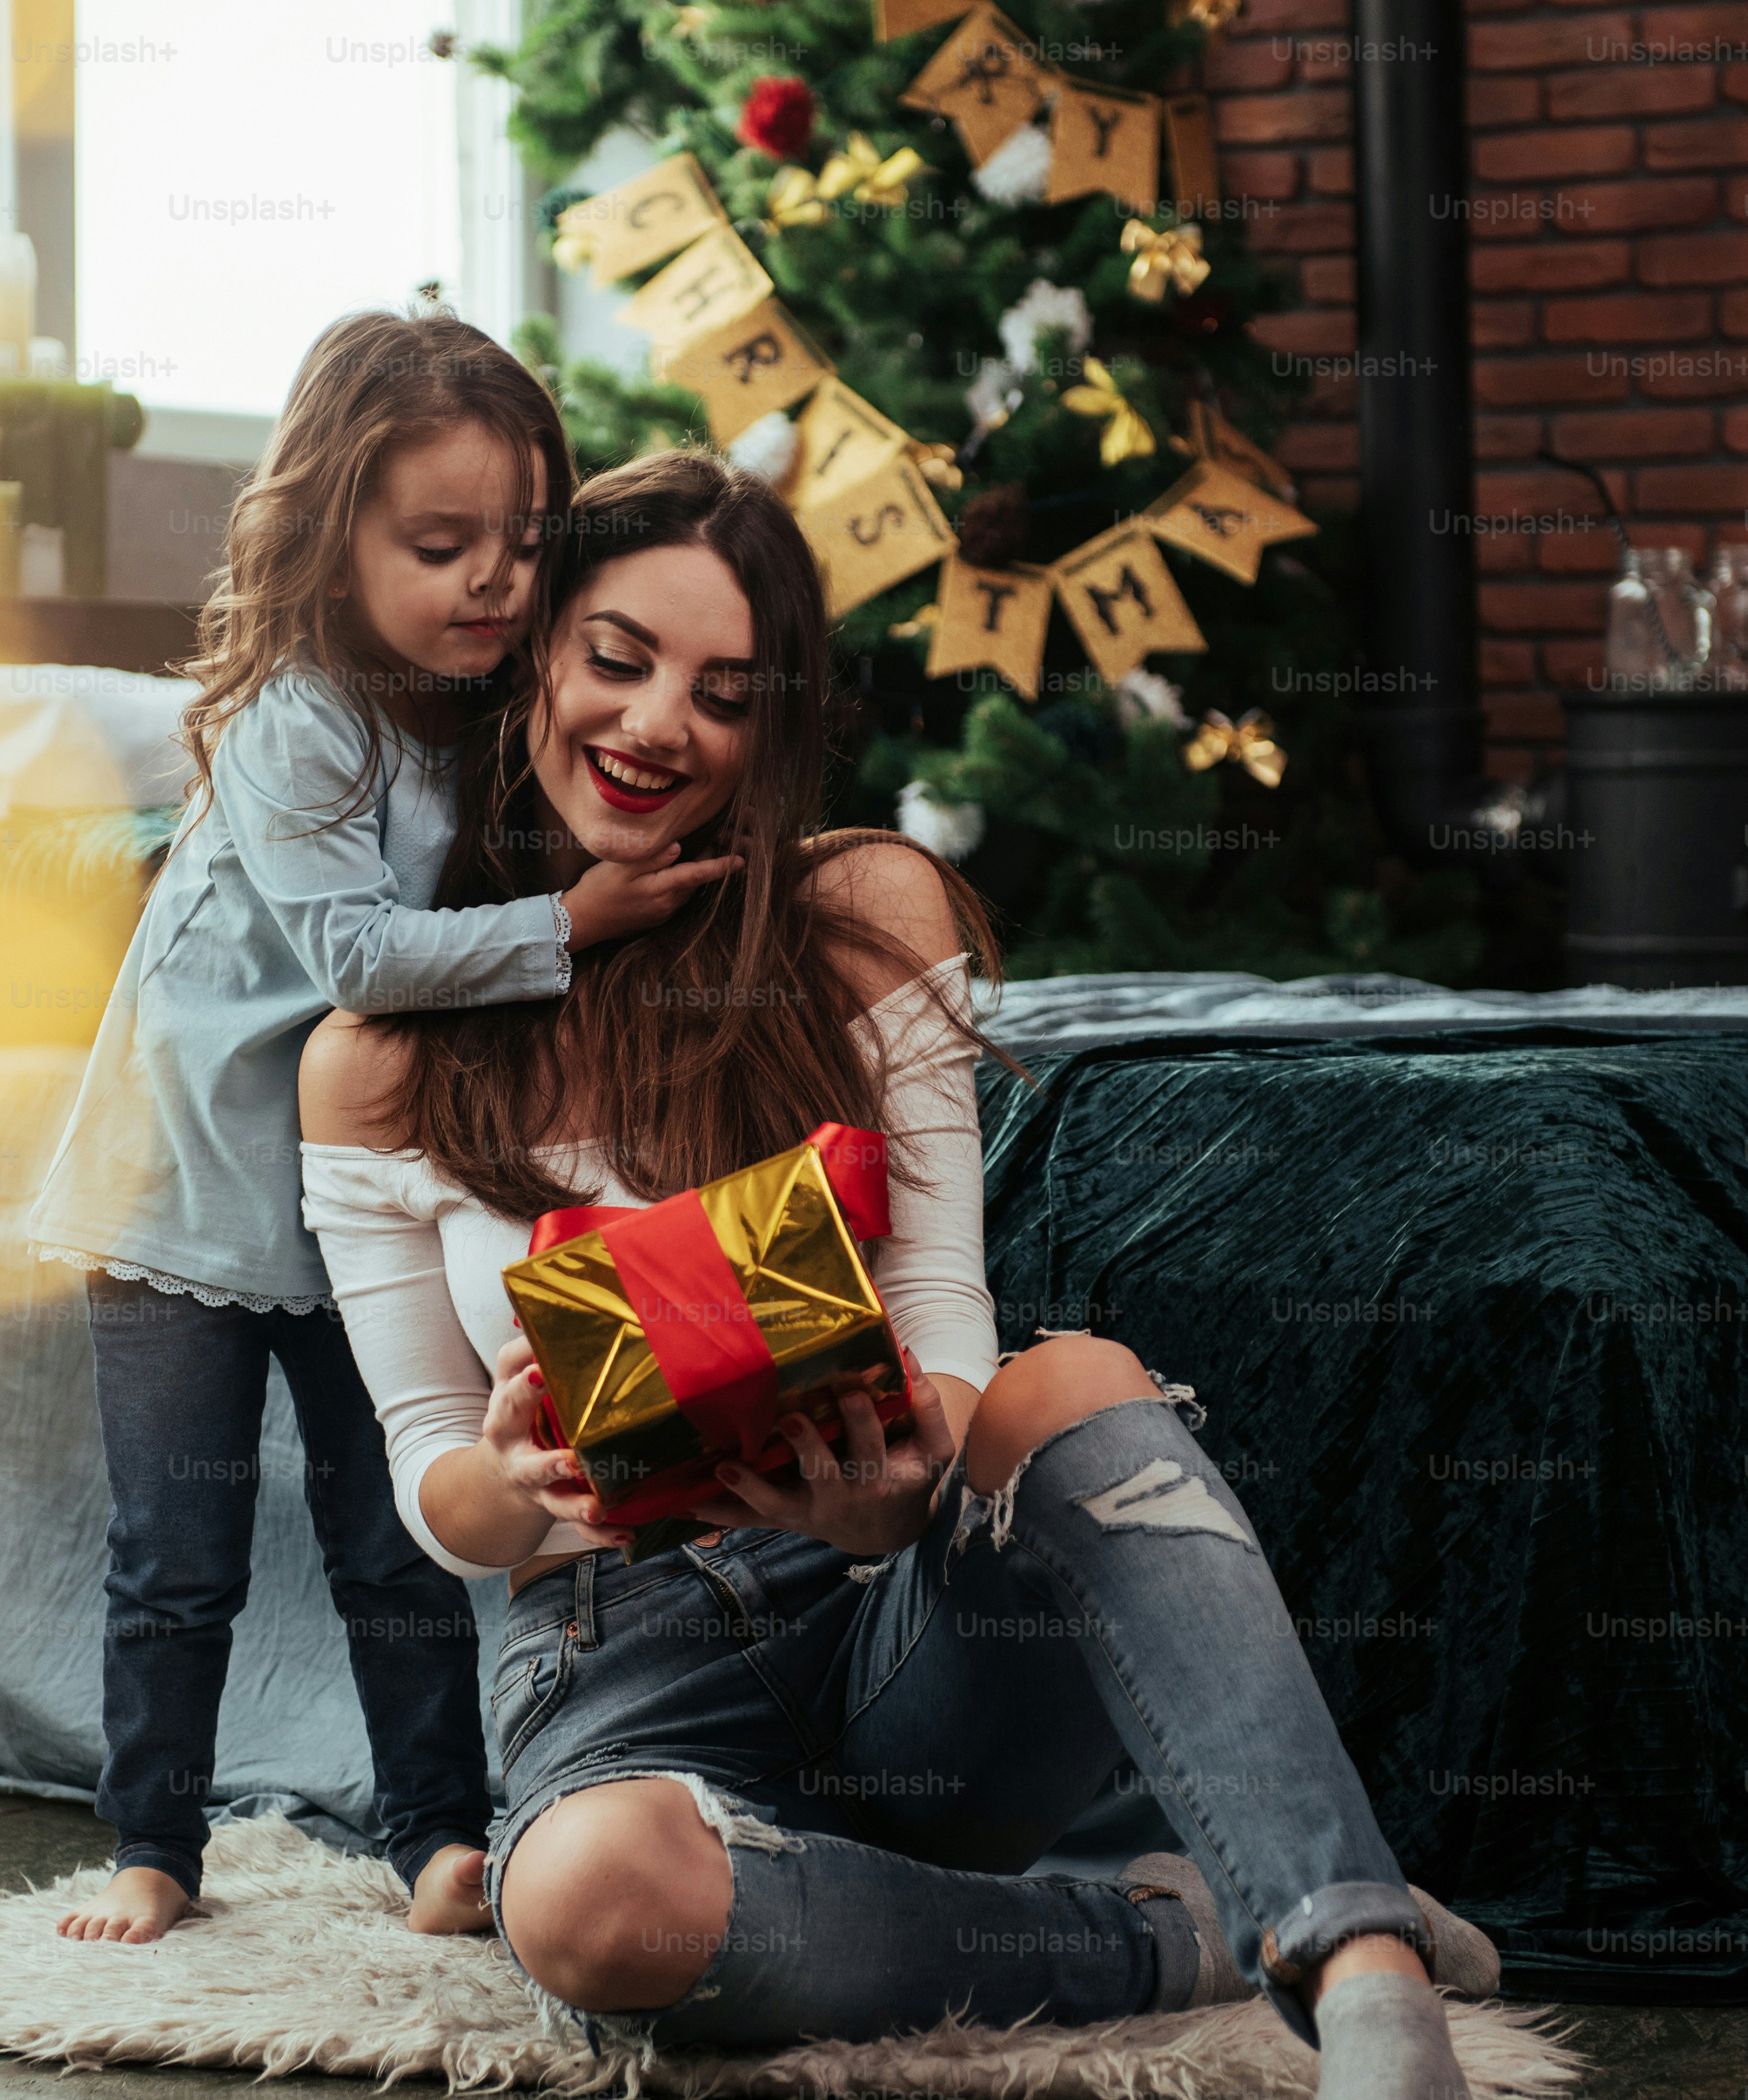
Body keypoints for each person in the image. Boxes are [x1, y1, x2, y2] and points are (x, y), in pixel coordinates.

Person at [295, 450, 1494, 2099]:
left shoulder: (862, 909)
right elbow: (429, 1464)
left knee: (1075, 1376)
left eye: (725, 694)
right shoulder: (374, 1061)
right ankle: (1170, 1936)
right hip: (608, 1649)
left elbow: (942, 1318)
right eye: (619, 658)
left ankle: (1364, 1975)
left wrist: (892, 1491)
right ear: (534, 659)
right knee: (576, 1902)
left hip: (893, 1623)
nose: (658, 727)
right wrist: (510, 1476)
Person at [25, 312, 739, 1944]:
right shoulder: (301, 714)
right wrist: (586, 921)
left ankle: (441, 1832)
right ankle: (152, 1842)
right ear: (331, 538)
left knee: (402, 1532)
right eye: (441, 545)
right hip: (182, 1200)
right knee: (177, 1552)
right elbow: (357, 953)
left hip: (351, 1194)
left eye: (527, 544)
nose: (493, 581)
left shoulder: (488, 707)